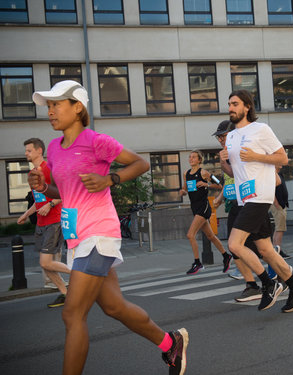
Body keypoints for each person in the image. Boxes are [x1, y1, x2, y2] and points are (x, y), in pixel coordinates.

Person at [29, 80, 188, 375]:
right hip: (76, 237)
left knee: (72, 314)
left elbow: (140, 163)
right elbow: (63, 192)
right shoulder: (54, 147)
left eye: (56, 104)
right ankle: (170, 343)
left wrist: (110, 180)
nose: (50, 111)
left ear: (78, 108)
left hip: (99, 233)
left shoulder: (96, 141)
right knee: (114, 307)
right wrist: (44, 187)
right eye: (48, 106)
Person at [222, 89, 293, 313]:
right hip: (243, 198)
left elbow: (283, 159)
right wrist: (224, 161)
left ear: (247, 107)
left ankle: (268, 284)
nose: (230, 108)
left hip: (260, 195)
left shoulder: (261, 129)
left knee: (234, 244)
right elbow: (237, 169)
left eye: (235, 104)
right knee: (266, 250)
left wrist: (256, 156)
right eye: (229, 104)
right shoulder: (231, 136)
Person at [212, 120, 262, 302]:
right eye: (218, 136)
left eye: (222, 135)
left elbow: (235, 173)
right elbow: (229, 179)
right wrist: (219, 198)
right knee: (238, 246)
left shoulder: (239, 148)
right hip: (237, 203)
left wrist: (223, 160)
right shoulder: (228, 151)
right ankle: (252, 284)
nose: (220, 139)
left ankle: (278, 277)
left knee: (258, 246)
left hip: (251, 201)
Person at [17, 138, 70, 308]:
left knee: (46, 262)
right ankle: (65, 293)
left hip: (54, 221)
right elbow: (38, 200)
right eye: (26, 150)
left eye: (29, 150)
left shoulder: (49, 169)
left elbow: (64, 193)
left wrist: (51, 203)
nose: (26, 153)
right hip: (41, 223)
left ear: (39, 151)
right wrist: (26, 214)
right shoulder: (32, 174)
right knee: (45, 264)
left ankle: (81, 275)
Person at [180, 149, 232, 275]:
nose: (191, 159)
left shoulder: (204, 172)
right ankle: (226, 256)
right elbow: (185, 189)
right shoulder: (186, 173)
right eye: (190, 157)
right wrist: (183, 192)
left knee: (190, 235)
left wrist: (206, 184)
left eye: (193, 157)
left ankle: (197, 262)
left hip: (203, 207)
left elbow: (220, 185)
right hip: (195, 207)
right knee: (210, 236)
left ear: (199, 160)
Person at [269, 165, 291, 259]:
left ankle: (276, 249)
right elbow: (270, 189)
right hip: (277, 205)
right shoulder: (271, 174)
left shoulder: (279, 174)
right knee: (280, 228)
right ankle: (277, 251)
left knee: (279, 228)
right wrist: (276, 203)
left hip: (282, 204)